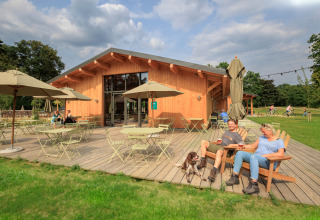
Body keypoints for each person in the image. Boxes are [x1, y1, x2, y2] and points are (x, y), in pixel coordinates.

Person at [226, 123, 285, 194]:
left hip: (268, 162)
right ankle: (235, 177)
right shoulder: (262, 138)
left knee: (254, 157)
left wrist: (266, 155)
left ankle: (254, 185)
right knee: (240, 153)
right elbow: (252, 146)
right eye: (262, 132)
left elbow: (281, 154)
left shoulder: (279, 141)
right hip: (255, 158)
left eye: (264, 132)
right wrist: (240, 146)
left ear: (270, 131)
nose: (263, 133)